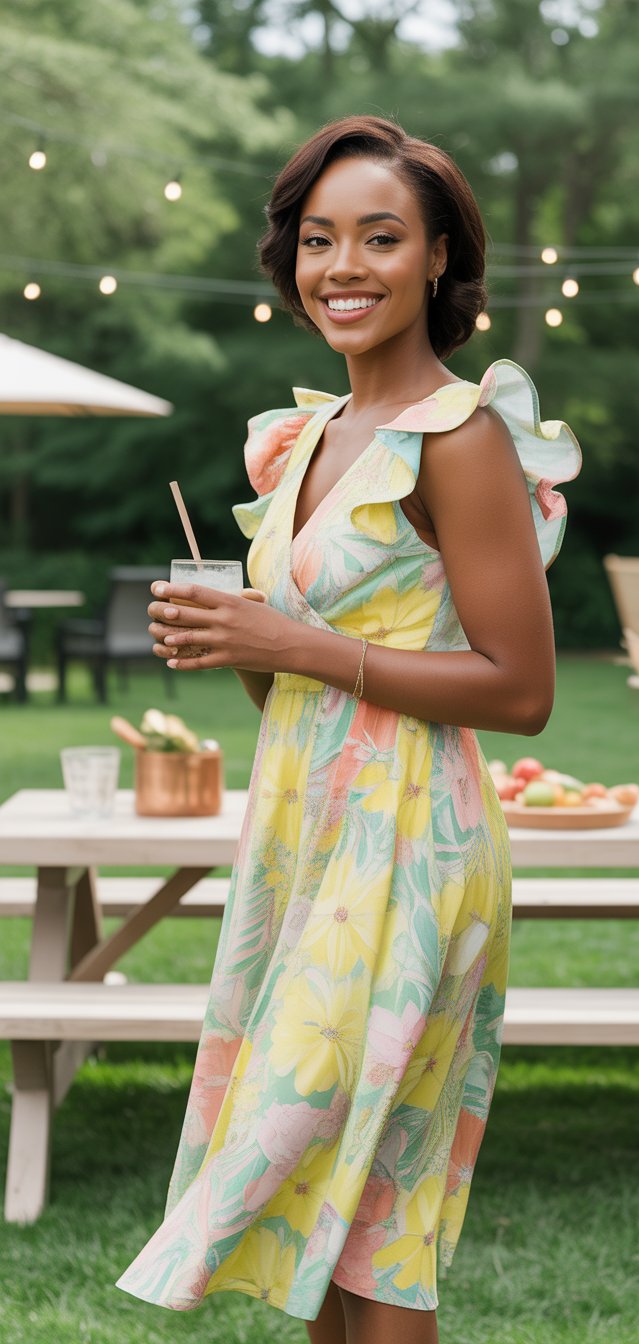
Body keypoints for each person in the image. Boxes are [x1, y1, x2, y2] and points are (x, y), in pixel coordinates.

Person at [115, 115, 581, 1343]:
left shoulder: (460, 437)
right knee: (319, 1198)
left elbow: (519, 690)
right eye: (319, 239)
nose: (344, 267)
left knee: (376, 1217)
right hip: (305, 833)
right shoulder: (304, 440)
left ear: (438, 256)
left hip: (412, 842)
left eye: (381, 237)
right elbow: (299, 689)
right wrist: (241, 646)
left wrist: (296, 644)